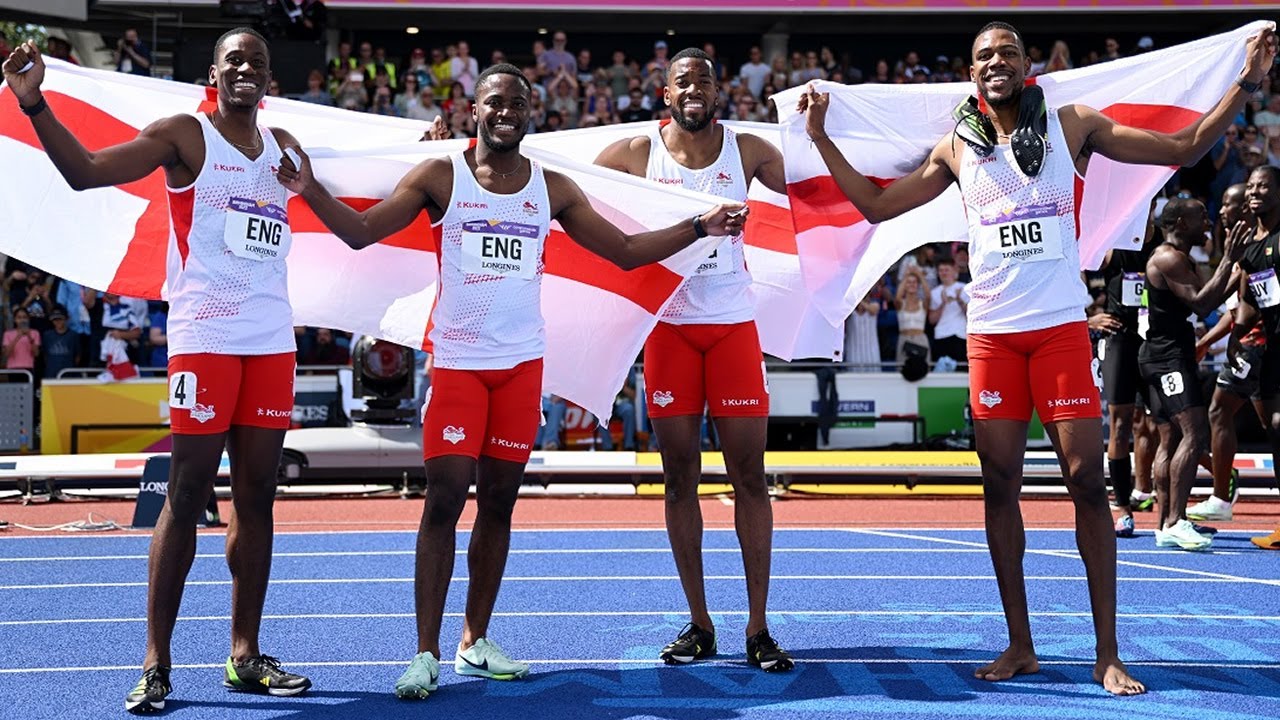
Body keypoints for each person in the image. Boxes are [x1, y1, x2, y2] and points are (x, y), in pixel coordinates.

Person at [799, 20, 1275, 696]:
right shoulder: (956, 148)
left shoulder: (1071, 124)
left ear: (1027, 67)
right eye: (984, 55)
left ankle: (1106, 651)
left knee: (1085, 481)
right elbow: (876, 206)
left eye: (1008, 52)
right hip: (992, 337)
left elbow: (1184, 144)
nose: (996, 61)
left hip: (1056, 331)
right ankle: (1020, 644)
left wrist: (1243, 83)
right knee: (1000, 487)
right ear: (972, 75)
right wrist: (819, 138)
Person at [279, 63, 746, 699]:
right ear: (474, 110)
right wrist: (307, 187)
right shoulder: (443, 175)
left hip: (522, 369)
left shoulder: (550, 189)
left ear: (532, 114)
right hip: (461, 367)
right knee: (444, 500)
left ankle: (476, 640)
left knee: (499, 503)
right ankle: (424, 652)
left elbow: (625, 253)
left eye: (518, 104)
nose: (506, 113)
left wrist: (698, 227)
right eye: (495, 102)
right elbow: (362, 233)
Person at [3, 27, 315, 712]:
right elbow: (86, 171)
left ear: (267, 79)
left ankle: (245, 654)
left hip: (270, 341)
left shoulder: (286, 148)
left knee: (258, 496)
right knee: (187, 488)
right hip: (203, 336)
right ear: (214, 72)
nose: (245, 68)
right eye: (234, 59)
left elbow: (351, 180)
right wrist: (33, 105)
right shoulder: (186, 135)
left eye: (256, 62)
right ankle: (156, 662)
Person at [595, 47, 794, 673]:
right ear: (665, 92)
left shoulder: (751, 152)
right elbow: (560, 184)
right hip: (671, 332)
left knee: (749, 478)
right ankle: (701, 623)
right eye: (684, 82)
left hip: (733, 328)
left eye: (705, 81)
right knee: (679, 479)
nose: (695, 90)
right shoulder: (634, 154)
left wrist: (817, 126)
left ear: (719, 92)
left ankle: (759, 628)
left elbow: (820, 190)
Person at [1141, 198, 1246, 551]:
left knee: (1169, 439)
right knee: (1195, 431)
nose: (1208, 220)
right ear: (1180, 224)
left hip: (1164, 355)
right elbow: (1202, 303)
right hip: (1168, 359)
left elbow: (1206, 296)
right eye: (1201, 216)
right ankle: (1174, 521)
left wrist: (1235, 272)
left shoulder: (1176, 256)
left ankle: (1165, 523)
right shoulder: (1170, 257)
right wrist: (1231, 260)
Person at [1194, 180, 1268, 524]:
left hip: (1256, 343)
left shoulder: (1257, 243)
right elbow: (1233, 307)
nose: (1221, 210)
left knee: (1219, 410)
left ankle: (1222, 498)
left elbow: (1242, 309)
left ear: (1245, 210)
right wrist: (1207, 340)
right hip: (1249, 340)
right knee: (1268, 422)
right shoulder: (1239, 245)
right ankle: (1221, 496)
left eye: (1228, 204)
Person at [1089, 200, 1162, 537]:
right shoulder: (1109, 244)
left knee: (1164, 425)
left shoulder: (1164, 241)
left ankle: (1170, 512)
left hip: (1156, 341)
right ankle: (1123, 508)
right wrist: (1088, 318)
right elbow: (1064, 275)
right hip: (1120, 338)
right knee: (1120, 425)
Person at [928, 257, 969, 365]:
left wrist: (960, 301)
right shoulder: (934, 292)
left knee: (961, 374)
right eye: (941, 270)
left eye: (946, 270)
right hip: (941, 335)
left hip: (960, 335)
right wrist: (943, 303)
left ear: (954, 270)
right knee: (941, 374)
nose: (943, 273)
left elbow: (971, 317)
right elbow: (931, 320)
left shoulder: (965, 288)